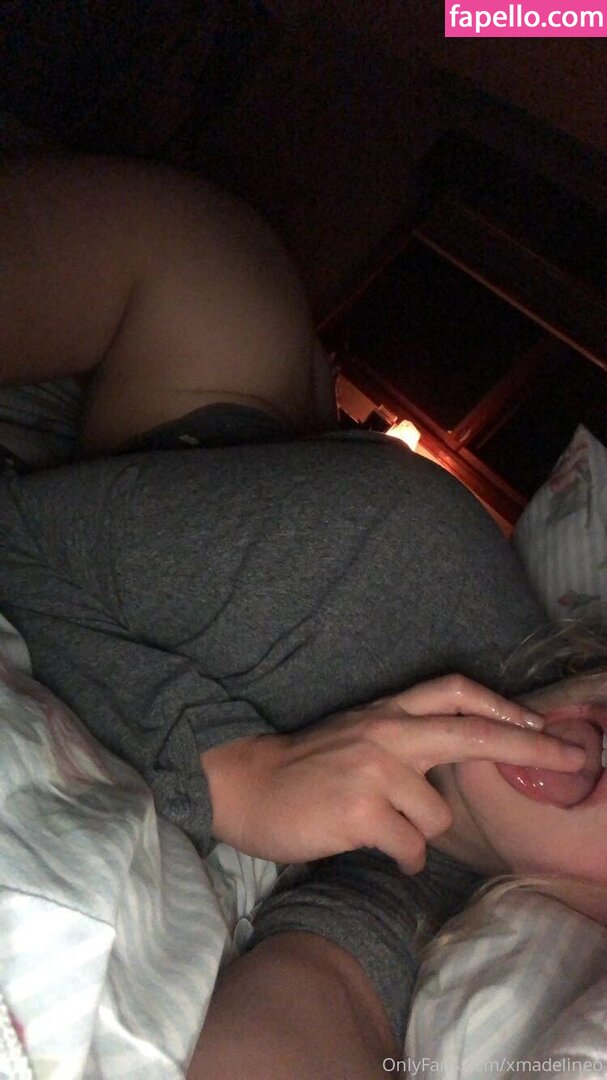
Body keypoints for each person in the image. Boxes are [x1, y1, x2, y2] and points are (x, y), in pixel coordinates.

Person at [0, 155, 592, 1078]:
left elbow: (327, 996)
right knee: (209, 253)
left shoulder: (456, 918)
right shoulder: (401, 552)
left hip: (241, 503)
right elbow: (21, 537)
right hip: (197, 388)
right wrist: (233, 775)